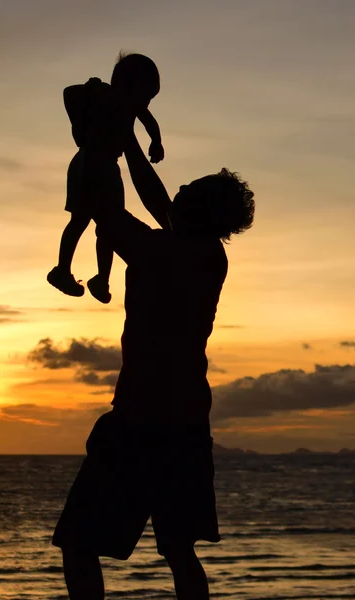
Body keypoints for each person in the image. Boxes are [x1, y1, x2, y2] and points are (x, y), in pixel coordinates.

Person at [52, 132, 255, 600]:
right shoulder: (207, 254)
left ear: (199, 212)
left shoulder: (162, 251)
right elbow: (157, 198)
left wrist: (99, 158)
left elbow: (108, 213)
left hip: (141, 421)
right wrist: (128, 145)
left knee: (79, 543)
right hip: (185, 425)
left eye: (189, 190)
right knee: (180, 550)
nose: (177, 192)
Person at [47, 53, 164, 304]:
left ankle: (102, 278)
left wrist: (156, 141)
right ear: (132, 86)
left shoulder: (131, 104)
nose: (147, 103)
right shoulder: (108, 96)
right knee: (81, 219)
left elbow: (149, 122)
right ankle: (62, 270)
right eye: (147, 95)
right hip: (89, 161)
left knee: (110, 224)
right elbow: (70, 93)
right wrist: (90, 93)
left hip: (109, 165)